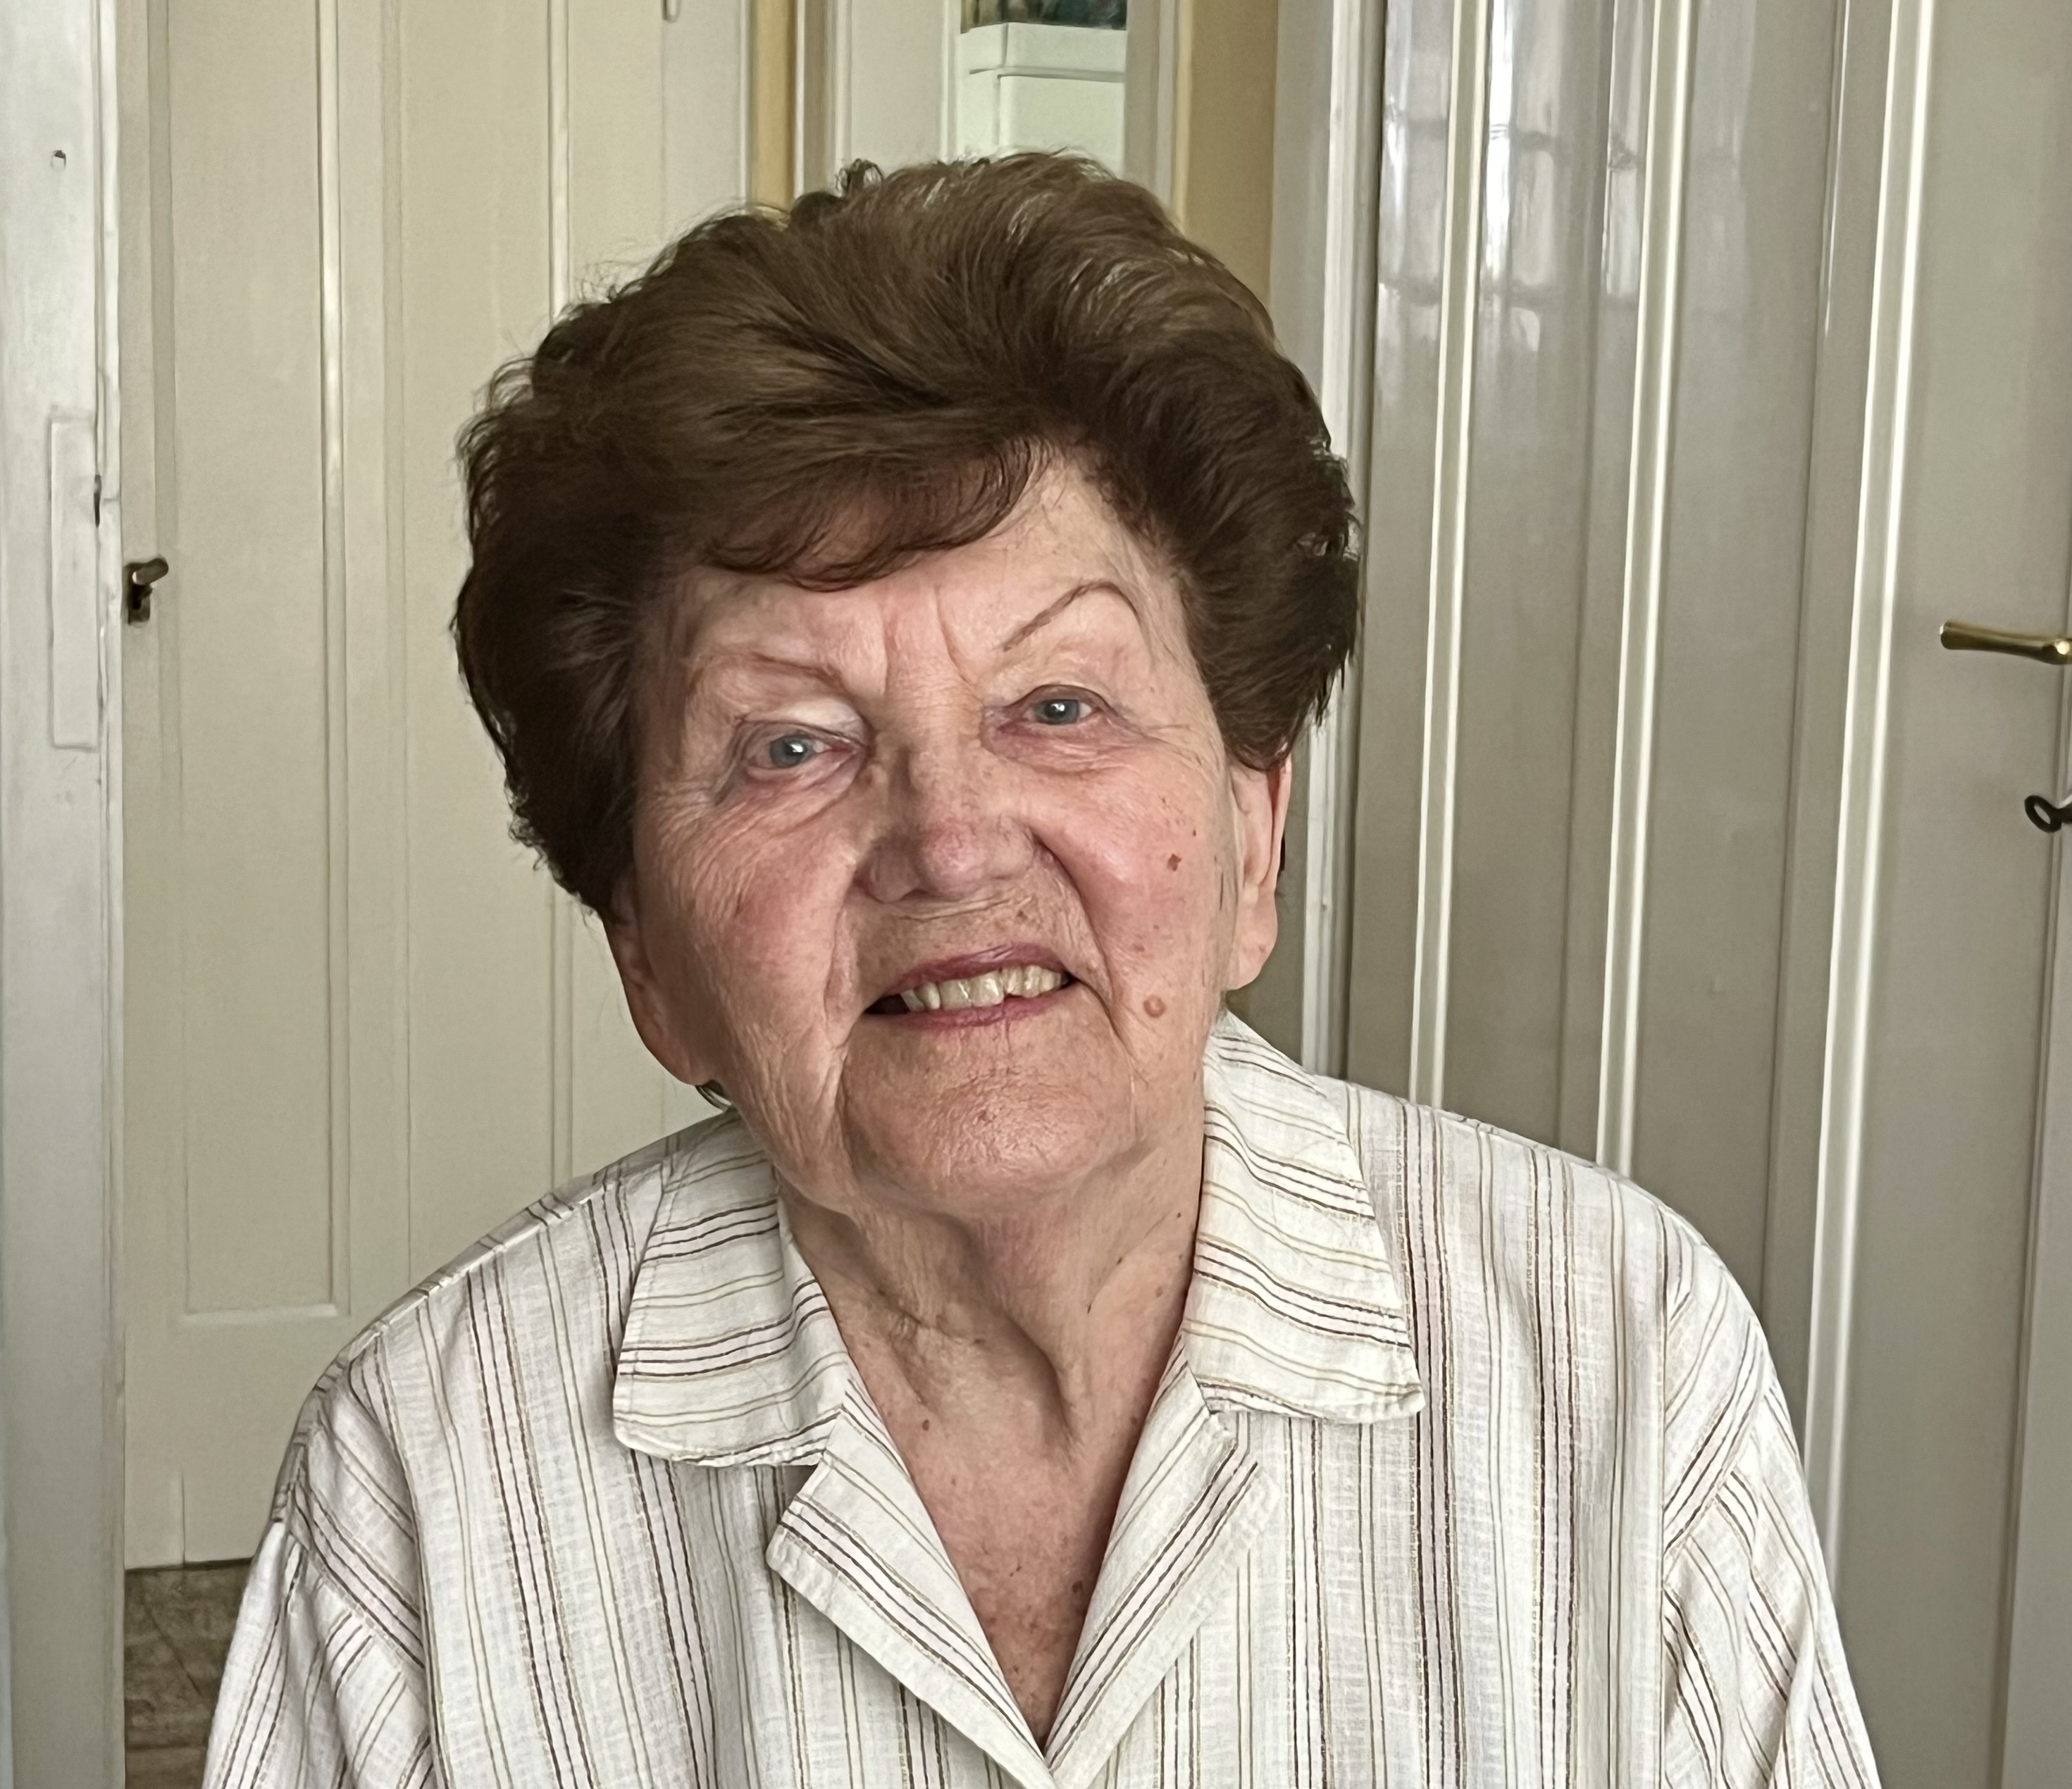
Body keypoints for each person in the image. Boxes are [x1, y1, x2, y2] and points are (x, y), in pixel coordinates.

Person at [204, 155, 1878, 1788]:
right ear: (644, 949)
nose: (951, 842)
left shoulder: (1616, 1360)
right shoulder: (428, 1476)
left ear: (1251, 836)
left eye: (1058, 706)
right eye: (789, 745)